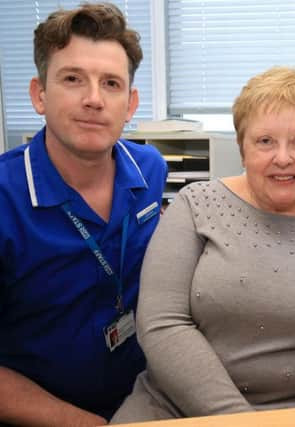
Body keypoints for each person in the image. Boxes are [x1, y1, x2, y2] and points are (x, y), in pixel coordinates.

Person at [111, 66, 295, 423]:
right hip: (177, 408)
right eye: (265, 141)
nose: (283, 157)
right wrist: (240, 421)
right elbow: (162, 323)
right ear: (242, 148)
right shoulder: (194, 206)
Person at [0, 3, 167, 426]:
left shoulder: (150, 171)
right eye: (73, 79)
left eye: (110, 83)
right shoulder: (6, 198)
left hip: (146, 399)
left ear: (130, 104)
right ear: (39, 94)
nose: (94, 99)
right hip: (39, 413)